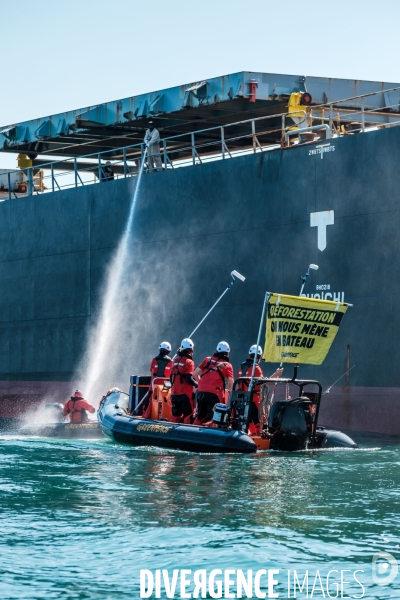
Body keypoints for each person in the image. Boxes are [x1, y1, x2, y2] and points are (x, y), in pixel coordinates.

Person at [237, 345, 283, 434]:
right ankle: (258, 437)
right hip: (254, 400)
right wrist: (276, 374)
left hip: (242, 400)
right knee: (259, 425)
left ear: (249, 355)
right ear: (260, 357)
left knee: (246, 422)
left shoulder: (241, 368)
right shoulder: (256, 369)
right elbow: (265, 384)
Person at [193, 341, 234, 425]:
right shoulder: (227, 365)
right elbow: (231, 382)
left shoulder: (207, 359)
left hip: (201, 392)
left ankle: (192, 433)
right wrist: (230, 392)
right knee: (215, 418)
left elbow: (195, 374)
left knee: (200, 416)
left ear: (216, 350)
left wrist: (201, 383)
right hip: (214, 394)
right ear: (227, 353)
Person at [141, 341, 173, 417]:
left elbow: (152, 373)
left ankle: (147, 414)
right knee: (167, 398)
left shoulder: (154, 360)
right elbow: (171, 375)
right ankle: (164, 415)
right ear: (169, 351)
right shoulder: (171, 361)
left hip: (154, 383)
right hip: (166, 384)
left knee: (149, 398)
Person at [169, 338, 197, 423]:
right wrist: (198, 385)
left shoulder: (175, 360)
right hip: (185, 395)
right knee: (188, 415)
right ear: (191, 349)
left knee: (175, 416)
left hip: (174, 394)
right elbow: (189, 379)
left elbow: (171, 377)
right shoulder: (189, 362)